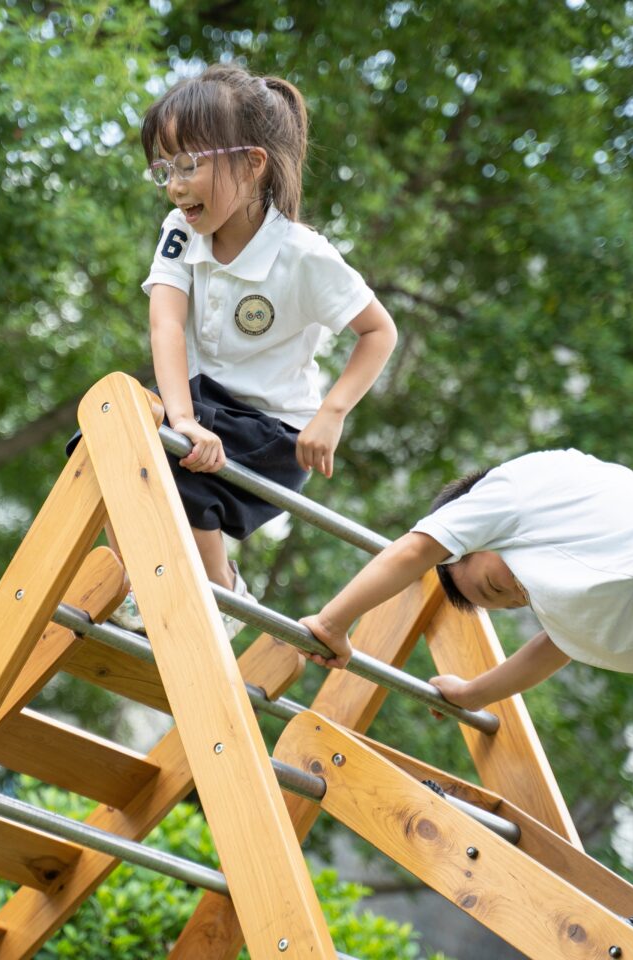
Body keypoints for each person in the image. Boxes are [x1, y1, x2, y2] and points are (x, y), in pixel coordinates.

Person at [93, 62, 397, 638]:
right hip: (201, 407)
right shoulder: (179, 231)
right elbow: (165, 323)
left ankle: (221, 597)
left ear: (253, 164)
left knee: (185, 477)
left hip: (273, 431)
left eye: (189, 165)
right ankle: (134, 584)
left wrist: (331, 415)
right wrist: (181, 416)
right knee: (105, 441)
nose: (176, 185)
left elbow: (379, 332)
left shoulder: (303, 255)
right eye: (164, 168)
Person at [301, 449, 633, 707]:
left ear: (473, 539)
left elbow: (416, 551)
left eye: (495, 586)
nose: (519, 594)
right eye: (516, 602)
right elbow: (560, 643)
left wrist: (332, 623)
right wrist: (472, 694)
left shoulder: (511, 489)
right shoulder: (570, 552)